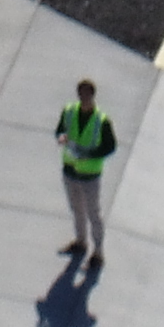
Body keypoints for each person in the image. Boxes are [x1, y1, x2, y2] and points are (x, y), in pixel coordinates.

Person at [54, 78, 118, 272]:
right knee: (76, 209)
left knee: (93, 214)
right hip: (70, 170)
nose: (83, 97)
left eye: (86, 94)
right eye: (81, 94)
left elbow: (110, 146)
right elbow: (60, 130)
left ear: (92, 95)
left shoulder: (102, 120)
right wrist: (61, 137)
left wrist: (89, 154)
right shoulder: (69, 111)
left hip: (90, 175)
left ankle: (98, 253)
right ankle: (81, 242)